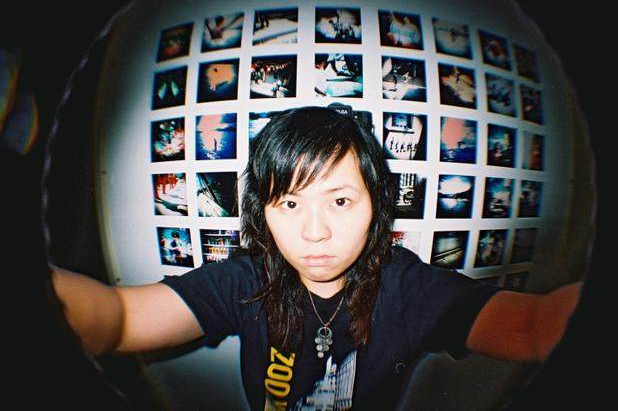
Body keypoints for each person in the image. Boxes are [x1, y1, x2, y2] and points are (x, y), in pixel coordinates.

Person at [51, 106, 581, 410]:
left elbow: (534, 326)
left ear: (376, 207)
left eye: (340, 201)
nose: (314, 232)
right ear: (263, 213)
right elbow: (119, 318)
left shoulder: (408, 289)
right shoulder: (246, 281)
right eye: (289, 203)